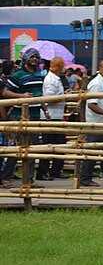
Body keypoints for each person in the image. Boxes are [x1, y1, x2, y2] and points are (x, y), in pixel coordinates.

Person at [2, 48, 45, 182]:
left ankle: (28, 180)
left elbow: (39, 93)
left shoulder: (39, 75)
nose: (35, 59)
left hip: (35, 115)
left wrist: (45, 108)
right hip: (19, 116)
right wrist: (22, 96)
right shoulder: (17, 75)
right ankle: (6, 177)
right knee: (15, 149)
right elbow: (5, 93)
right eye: (32, 57)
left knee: (32, 150)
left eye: (37, 57)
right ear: (26, 59)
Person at [39, 56, 67, 180]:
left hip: (57, 115)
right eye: (62, 66)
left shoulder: (56, 78)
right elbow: (50, 99)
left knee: (60, 144)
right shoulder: (50, 79)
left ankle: (55, 171)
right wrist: (65, 96)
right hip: (51, 116)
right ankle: (42, 172)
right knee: (47, 146)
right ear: (57, 67)